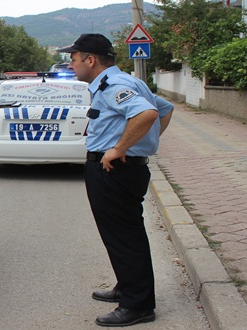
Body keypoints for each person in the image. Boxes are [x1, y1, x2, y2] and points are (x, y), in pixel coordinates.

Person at [57, 34, 174, 327]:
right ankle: (128, 286)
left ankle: (138, 305)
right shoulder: (128, 81)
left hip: (114, 171)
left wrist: (121, 149)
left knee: (124, 237)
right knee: (121, 235)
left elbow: (147, 114)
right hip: (123, 169)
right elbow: (164, 109)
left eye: (73, 59)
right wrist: (143, 144)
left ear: (90, 60)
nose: (71, 65)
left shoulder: (113, 86)